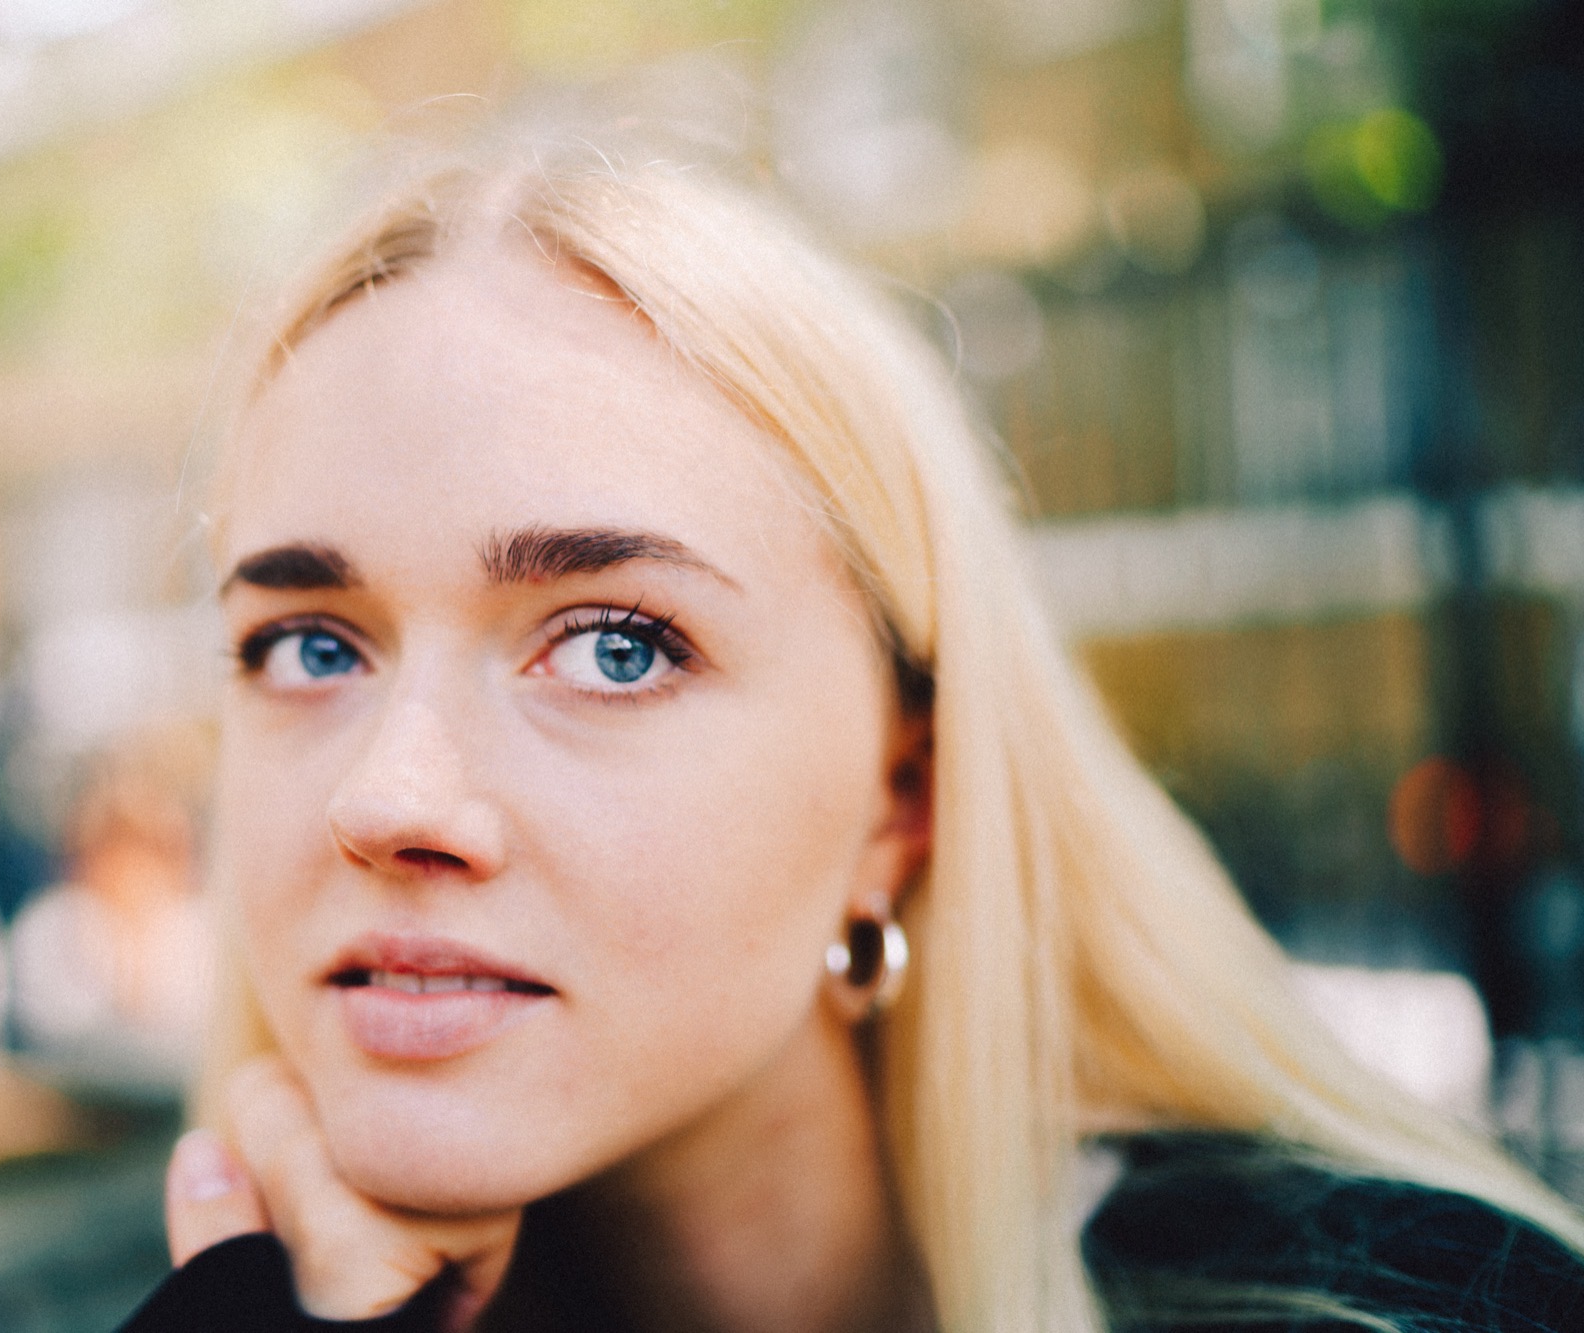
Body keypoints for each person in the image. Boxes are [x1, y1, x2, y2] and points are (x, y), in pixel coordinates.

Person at [120, 139, 1584, 1332]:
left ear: (906, 795)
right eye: (310, 646)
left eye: (616, 646)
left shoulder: (1392, 1309)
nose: (387, 796)